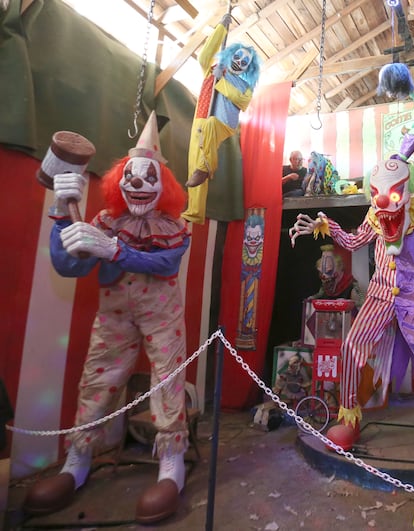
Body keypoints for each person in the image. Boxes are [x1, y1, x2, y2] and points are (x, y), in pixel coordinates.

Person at [23, 112, 192, 524]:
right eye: (130, 177)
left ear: (163, 184)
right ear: (119, 180)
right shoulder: (105, 221)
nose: (138, 185)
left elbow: (165, 262)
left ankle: (173, 464)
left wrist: (114, 251)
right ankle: (76, 462)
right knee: (98, 378)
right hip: (114, 314)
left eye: (148, 177)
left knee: (167, 378)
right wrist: (62, 213)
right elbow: (69, 265)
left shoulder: (174, 227)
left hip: (161, 314)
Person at [289, 134, 414, 450]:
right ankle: (349, 417)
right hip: (380, 291)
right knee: (352, 346)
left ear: (408, 190)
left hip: (410, 293)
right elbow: (353, 243)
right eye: (378, 193)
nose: (384, 203)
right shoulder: (374, 214)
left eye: (394, 193)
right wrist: (328, 226)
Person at [183, 13, 261, 224]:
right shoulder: (214, 68)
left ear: (248, 68)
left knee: (208, 137)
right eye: (238, 57)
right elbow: (204, 55)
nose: (240, 62)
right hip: (201, 118)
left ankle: (207, 167)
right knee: (195, 163)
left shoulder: (244, 86)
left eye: (245, 61)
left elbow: (240, 100)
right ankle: (194, 211)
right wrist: (221, 29)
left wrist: (220, 82)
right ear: (231, 54)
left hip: (222, 123)